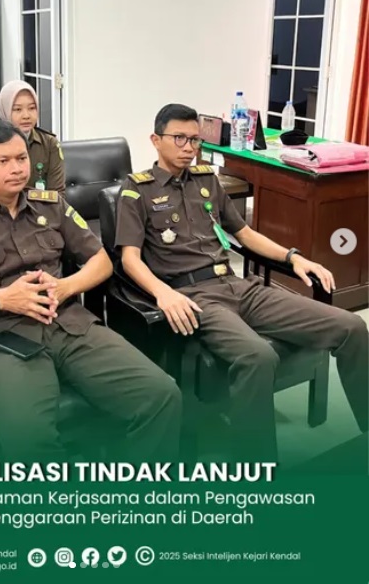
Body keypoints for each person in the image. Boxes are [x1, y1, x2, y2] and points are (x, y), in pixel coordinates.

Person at [0, 120, 181, 461]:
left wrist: (67, 286)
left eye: (21, 158)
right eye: (3, 161)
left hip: (69, 324)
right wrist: (1, 298)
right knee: (30, 441)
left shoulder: (51, 206)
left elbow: (101, 262)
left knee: (161, 395)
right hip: (4, 338)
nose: (16, 168)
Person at [115, 103, 368, 461]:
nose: (189, 147)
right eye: (179, 138)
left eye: (195, 140)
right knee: (257, 356)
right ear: (156, 140)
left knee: (352, 327)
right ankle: (257, 467)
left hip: (238, 286)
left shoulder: (207, 181)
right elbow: (129, 259)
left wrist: (293, 257)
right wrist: (163, 293)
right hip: (194, 296)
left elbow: (245, 234)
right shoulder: (136, 190)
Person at [0, 79, 66, 193]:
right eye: (18, 109)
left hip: (41, 205)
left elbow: (57, 193)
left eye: (32, 108)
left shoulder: (49, 144)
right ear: (5, 111)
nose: (26, 116)